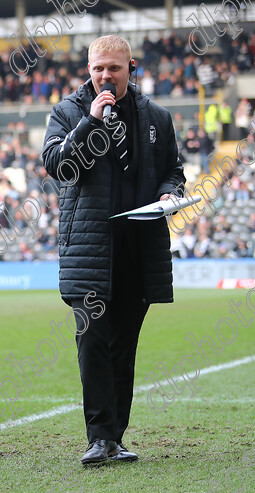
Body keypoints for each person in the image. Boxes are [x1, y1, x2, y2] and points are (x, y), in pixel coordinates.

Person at [41, 35, 186, 465]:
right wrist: (90, 122)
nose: (105, 75)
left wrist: (169, 194)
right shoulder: (67, 112)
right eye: (98, 68)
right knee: (93, 344)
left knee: (123, 348)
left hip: (138, 249)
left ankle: (116, 437)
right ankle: (99, 438)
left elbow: (173, 172)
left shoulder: (157, 117)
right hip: (90, 251)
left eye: (114, 68)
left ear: (131, 67)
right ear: (89, 68)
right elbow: (58, 165)